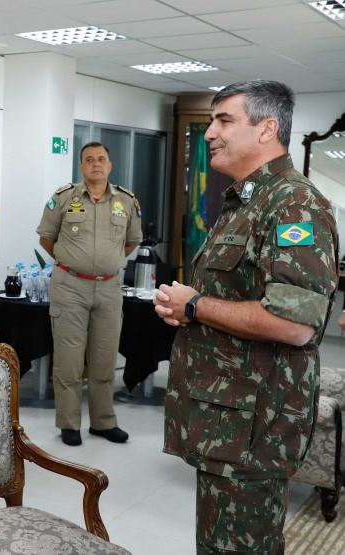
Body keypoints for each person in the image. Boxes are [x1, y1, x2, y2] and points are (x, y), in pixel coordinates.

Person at [154, 80, 338, 554]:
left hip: (252, 427)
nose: (209, 133)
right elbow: (236, 296)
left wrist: (195, 305)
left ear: (266, 129)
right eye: (211, 121)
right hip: (227, 418)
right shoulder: (248, 199)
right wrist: (192, 312)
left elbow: (295, 324)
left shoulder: (293, 204)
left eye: (224, 120)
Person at [36, 142, 141, 446]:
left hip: (109, 288)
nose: (96, 164)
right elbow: (46, 239)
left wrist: (107, 263)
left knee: (105, 359)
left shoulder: (126, 201)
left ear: (110, 165)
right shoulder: (63, 198)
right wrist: (73, 261)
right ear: (81, 166)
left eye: (102, 159)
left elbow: (131, 241)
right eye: (89, 159)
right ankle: (69, 423)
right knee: (68, 360)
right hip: (70, 287)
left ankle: (103, 422)